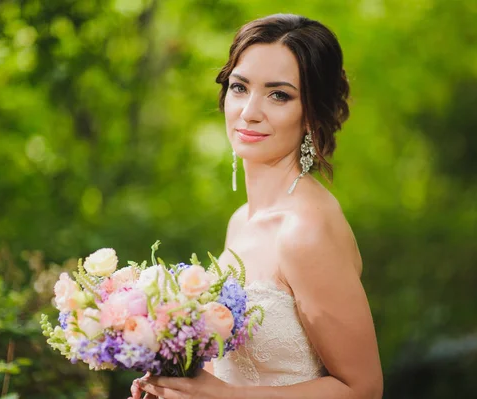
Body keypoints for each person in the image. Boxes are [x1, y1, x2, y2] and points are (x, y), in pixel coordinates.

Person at [136, 13, 383, 399]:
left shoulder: (303, 230)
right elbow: (232, 372)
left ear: (311, 113)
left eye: (278, 94)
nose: (250, 111)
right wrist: (177, 384)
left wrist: (224, 397)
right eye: (239, 87)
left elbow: (363, 389)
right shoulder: (241, 222)